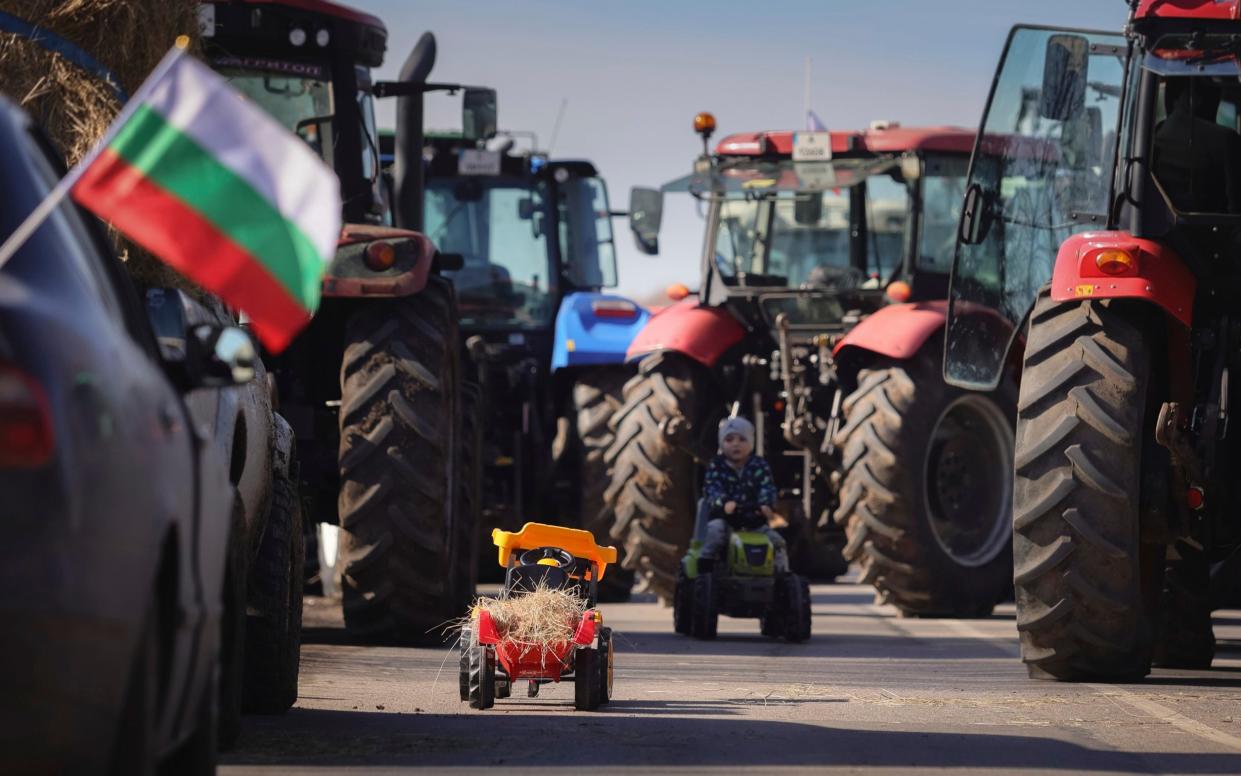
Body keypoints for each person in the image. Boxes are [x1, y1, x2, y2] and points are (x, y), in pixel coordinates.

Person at [698, 416, 790, 574]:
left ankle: (782, 575)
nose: (736, 444)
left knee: (777, 541)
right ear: (721, 443)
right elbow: (712, 489)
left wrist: (766, 504)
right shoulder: (716, 466)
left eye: (742, 439)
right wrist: (724, 502)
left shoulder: (759, 465)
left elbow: (766, 486)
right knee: (715, 534)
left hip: (753, 522)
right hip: (725, 520)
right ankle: (705, 572)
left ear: (751, 443)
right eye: (729, 439)